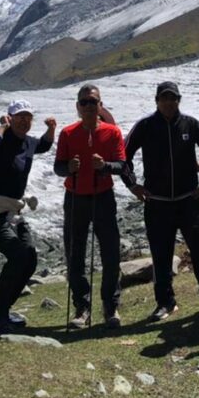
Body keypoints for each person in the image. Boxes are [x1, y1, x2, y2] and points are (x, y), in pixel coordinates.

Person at [123, 81, 199, 321]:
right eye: (165, 98)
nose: (169, 102)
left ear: (179, 100)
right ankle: (165, 303)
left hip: (188, 201)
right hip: (157, 203)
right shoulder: (145, 126)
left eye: (173, 98)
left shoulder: (191, 124)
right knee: (160, 255)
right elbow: (123, 155)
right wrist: (132, 184)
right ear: (157, 100)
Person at [0, 100, 56, 336]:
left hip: (13, 211)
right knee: (18, 255)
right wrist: (1, 128)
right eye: (19, 116)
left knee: (29, 257)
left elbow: (43, 145)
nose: (24, 121)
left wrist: (51, 129)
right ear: (10, 118)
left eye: (28, 117)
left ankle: (2, 311)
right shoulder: (0, 140)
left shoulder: (28, 142)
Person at [54, 84, 126, 329]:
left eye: (92, 102)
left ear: (100, 105)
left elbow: (121, 165)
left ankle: (110, 304)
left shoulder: (112, 132)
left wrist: (104, 166)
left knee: (110, 251)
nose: (88, 106)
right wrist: (68, 168)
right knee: (75, 253)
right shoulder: (67, 133)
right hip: (75, 196)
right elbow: (58, 167)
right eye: (84, 102)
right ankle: (82, 306)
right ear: (77, 106)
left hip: (102, 196)